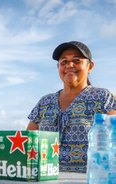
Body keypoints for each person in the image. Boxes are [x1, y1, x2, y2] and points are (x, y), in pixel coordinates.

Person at [27, 41, 116, 173]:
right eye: (64, 62)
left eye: (76, 60)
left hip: (88, 182)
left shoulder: (103, 97)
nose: (69, 65)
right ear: (58, 67)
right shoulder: (45, 102)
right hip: (44, 180)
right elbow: (27, 141)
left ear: (90, 66)